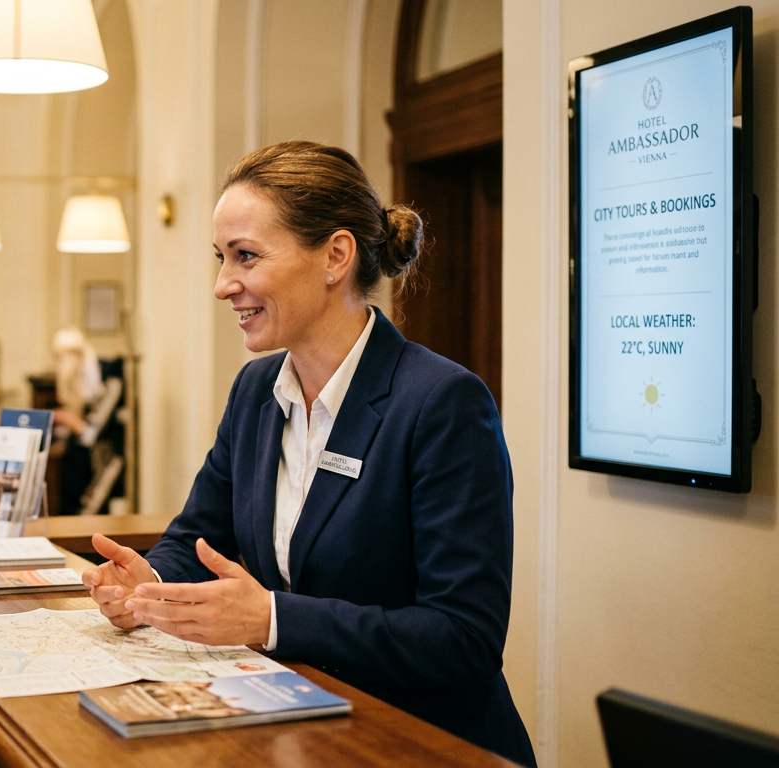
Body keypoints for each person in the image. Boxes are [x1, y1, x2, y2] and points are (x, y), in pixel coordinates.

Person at [81, 141, 537, 767]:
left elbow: (463, 639)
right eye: (221, 258)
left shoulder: (442, 403)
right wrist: (151, 586)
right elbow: (195, 536)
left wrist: (272, 618)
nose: (222, 286)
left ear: (335, 256)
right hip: (302, 731)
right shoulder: (255, 392)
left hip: (420, 743)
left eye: (245, 256)